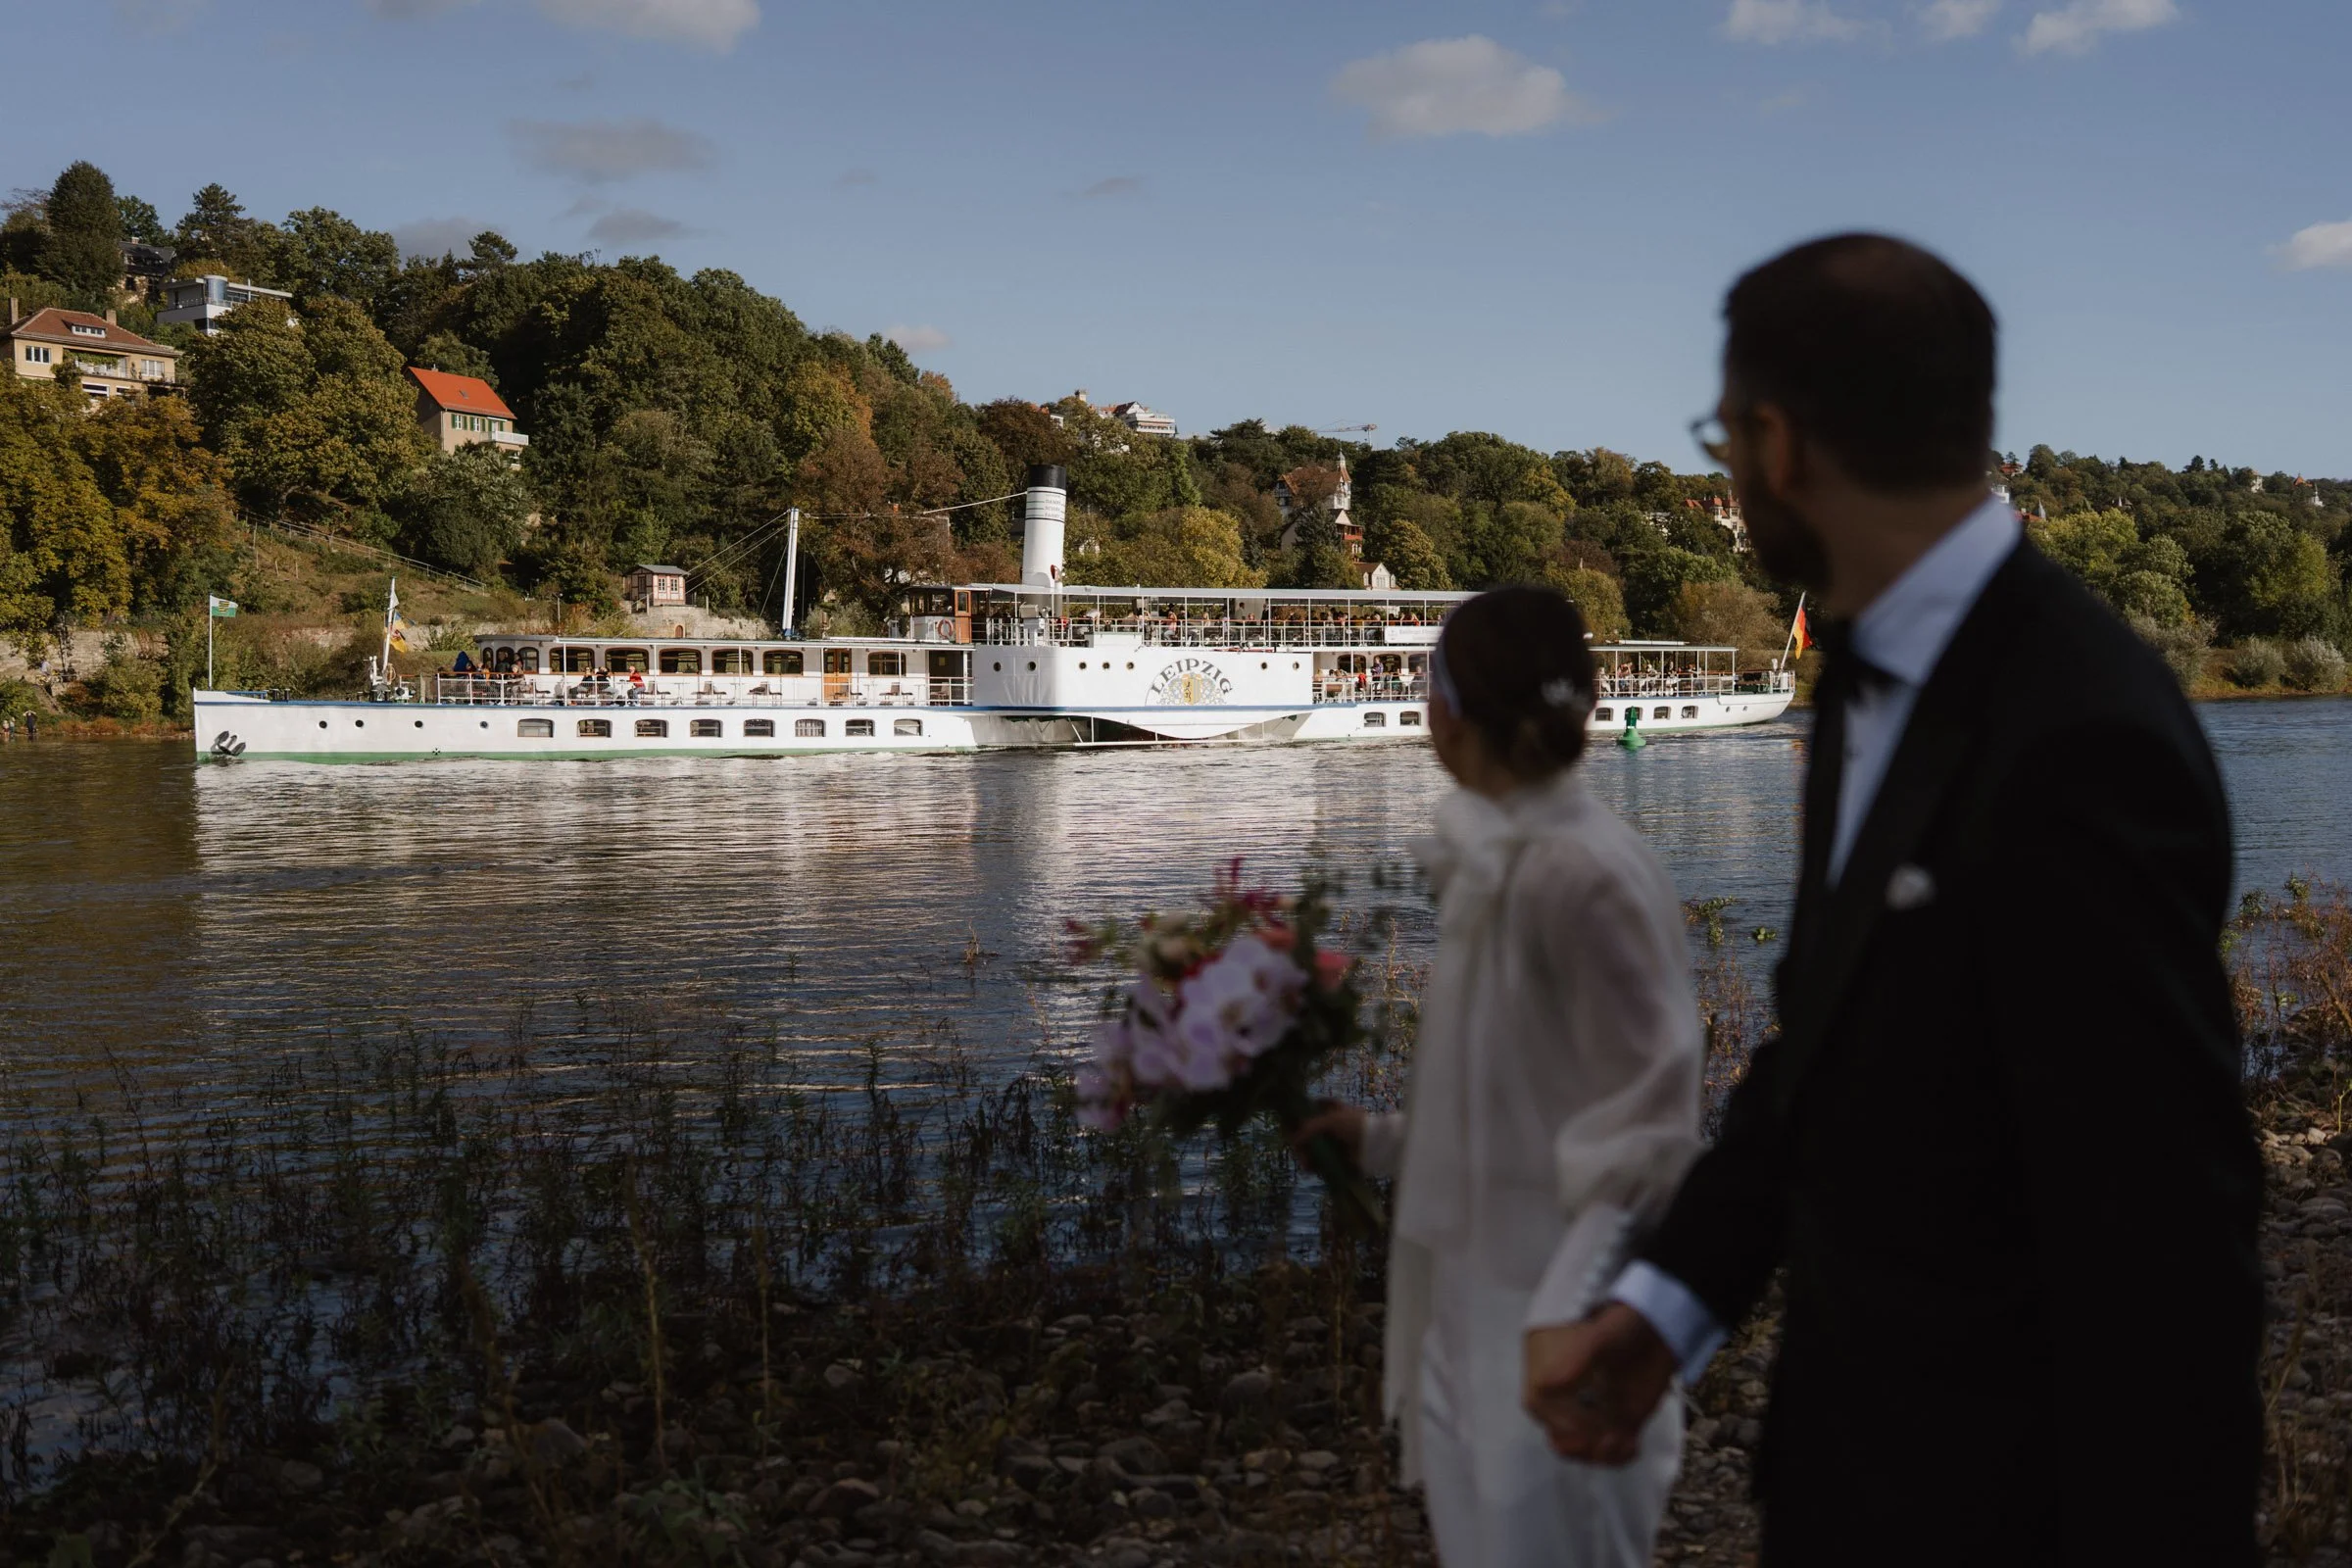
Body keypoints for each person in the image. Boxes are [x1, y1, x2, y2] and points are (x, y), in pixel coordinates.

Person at [1526, 234, 2260, 1564]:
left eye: (1724, 441)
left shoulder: (2081, 730)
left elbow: (2168, 1250)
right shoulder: (1874, 679)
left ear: (1774, 443)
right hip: (1849, 1482)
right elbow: (1826, 1047)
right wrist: (1672, 1305)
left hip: (2004, 1510)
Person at [1294, 586, 1702, 1568]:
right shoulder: (1502, 859)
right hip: (1467, 1306)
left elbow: (1652, 1132)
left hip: (1553, 1335)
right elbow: (1520, 1086)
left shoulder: (1578, 871)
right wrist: (1382, 1140)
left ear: (1448, 707)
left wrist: (1570, 1317)